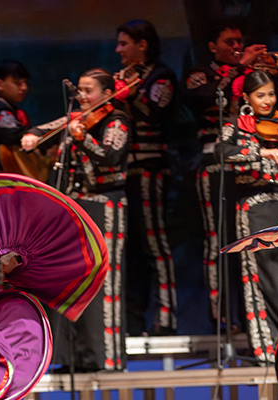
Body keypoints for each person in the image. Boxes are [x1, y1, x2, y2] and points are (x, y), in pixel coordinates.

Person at [22, 68, 131, 371]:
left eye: (88, 91)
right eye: (79, 91)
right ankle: (73, 356)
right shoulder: (75, 119)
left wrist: (83, 141)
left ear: (107, 95)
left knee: (103, 281)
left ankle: (104, 356)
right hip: (75, 207)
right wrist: (33, 136)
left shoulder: (117, 121)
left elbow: (109, 156)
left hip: (105, 206)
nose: (82, 97)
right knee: (73, 279)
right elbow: (46, 129)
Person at [182, 21, 268, 326]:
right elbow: (209, 100)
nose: (236, 47)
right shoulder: (198, 73)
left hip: (251, 164)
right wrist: (239, 68)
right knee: (217, 239)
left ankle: (254, 317)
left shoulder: (249, 74)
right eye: (229, 42)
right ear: (213, 47)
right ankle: (222, 318)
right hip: (214, 165)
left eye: (239, 42)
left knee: (253, 239)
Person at [215, 70, 278, 366]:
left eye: (270, 94)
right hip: (253, 206)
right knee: (262, 276)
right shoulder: (235, 126)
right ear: (246, 98)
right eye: (260, 95)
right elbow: (221, 152)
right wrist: (261, 152)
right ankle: (268, 348)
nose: (267, 101)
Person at [115, 20, 178, 336]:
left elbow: (155, 111)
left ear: (142, 45)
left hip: (151, 172)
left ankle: (166, 318)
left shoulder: (161, 75)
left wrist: (126, 94)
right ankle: (133, 320)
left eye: (124, 43)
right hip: (125, 173)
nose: (118, 50)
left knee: (155, 243)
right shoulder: (124, 79)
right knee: (131, 249)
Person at [0, 60, 32, 173]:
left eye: (25, 82)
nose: (24, 87)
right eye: (17, 82)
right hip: (5, 182)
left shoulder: (13, 110)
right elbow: (13, 135)